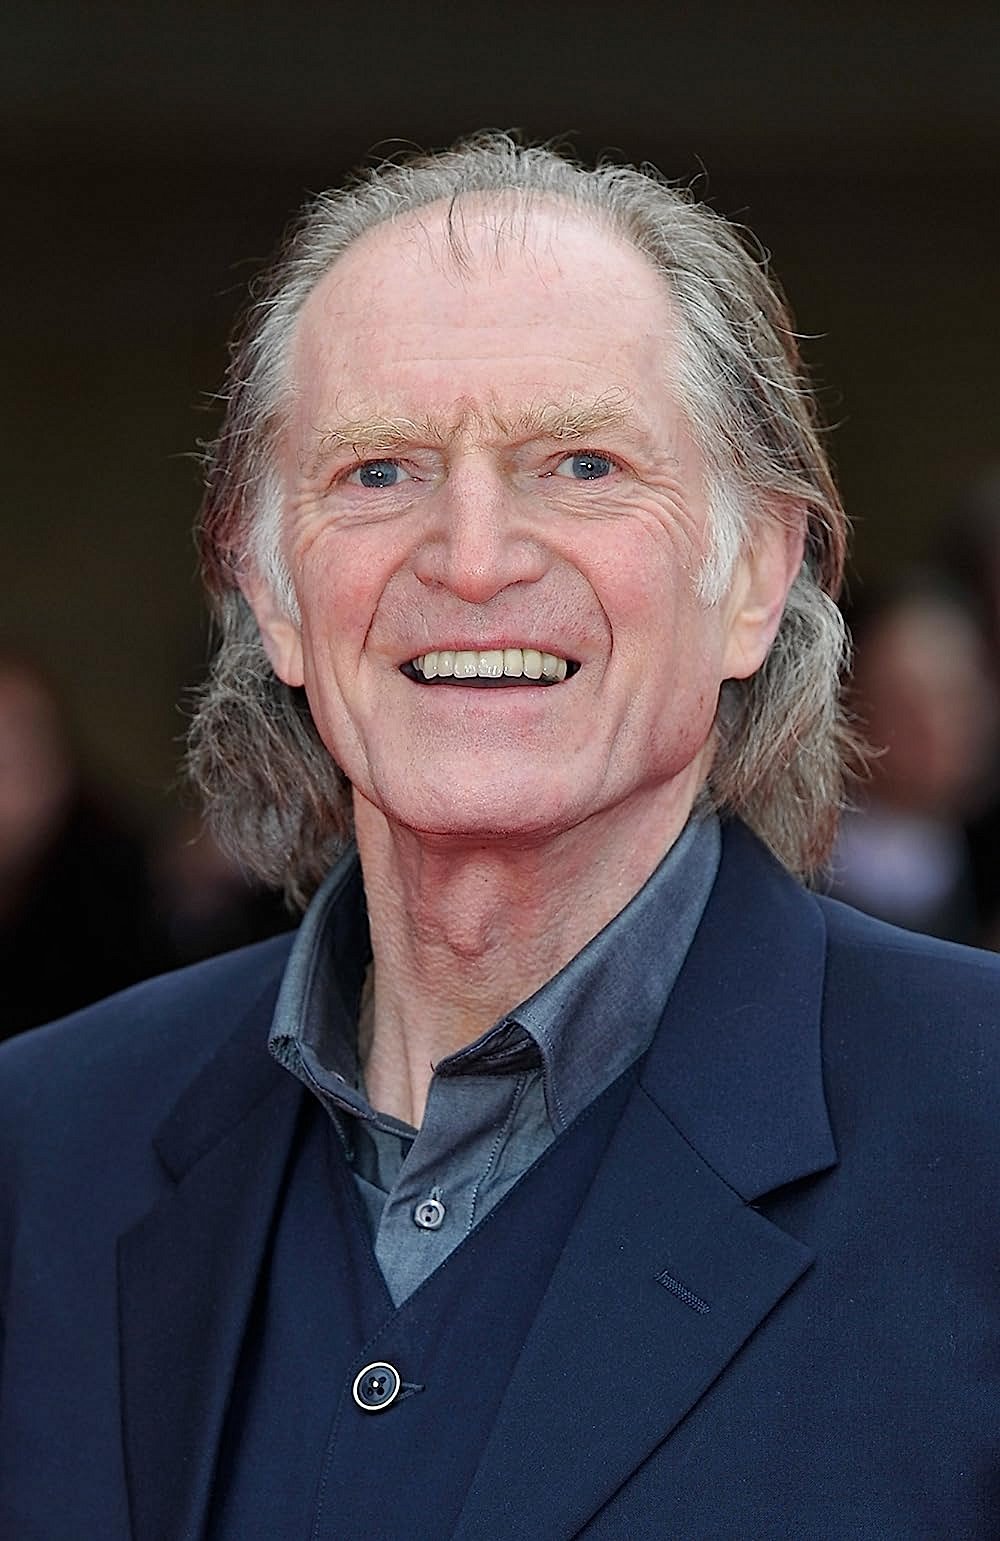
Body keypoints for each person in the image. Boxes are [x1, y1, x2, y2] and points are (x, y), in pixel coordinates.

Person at [1, 138, 997, 1540]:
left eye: (582, 463)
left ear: (757, 576)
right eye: (378, 471)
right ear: (270, 593)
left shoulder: (977, 1134)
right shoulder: (40, 1144)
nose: (473, 558)